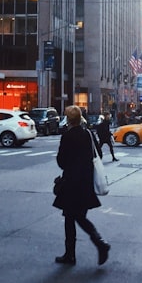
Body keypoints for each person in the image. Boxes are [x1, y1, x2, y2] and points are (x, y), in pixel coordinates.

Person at [52, 105, 110, 266]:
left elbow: (61, 162)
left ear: (69, 120)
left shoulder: (67, 136)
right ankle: (92, 246)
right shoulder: (88, 134)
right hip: (85, 181)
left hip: (71, 183)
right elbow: (98, 153)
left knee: (72, 218)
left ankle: (92, 246)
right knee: (76, 216)